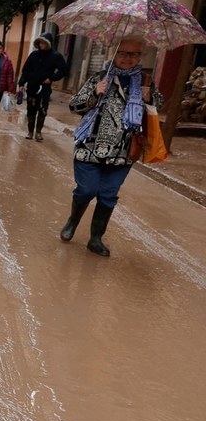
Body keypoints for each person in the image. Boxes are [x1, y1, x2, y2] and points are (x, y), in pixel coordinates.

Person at [60, 37, 162, 256]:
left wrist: (149, 97)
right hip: (90, 147)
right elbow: (74, 106)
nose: (128, 58)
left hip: (123, 152)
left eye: (134, 54)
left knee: (108, 195)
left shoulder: (145, 81)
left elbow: (159, 105)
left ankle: (95, 238)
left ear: (140, 57)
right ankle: (72, 220)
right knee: (86, 190)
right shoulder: (99, 78)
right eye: (123, 53)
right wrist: (94, 94)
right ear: (114, 54)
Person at [17, 33, 68, 141]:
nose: (41, 44)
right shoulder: (33, 55)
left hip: (44, 88)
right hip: (32, 86)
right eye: (39, 42)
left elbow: (63, 70)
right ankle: (30, 132)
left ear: (48, 43)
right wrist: (22, 83)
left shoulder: (55, 56)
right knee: (31, 109)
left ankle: (38, 132)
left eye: (43, 42)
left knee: (42, 109)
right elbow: (25, 70)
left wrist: (52, 78)